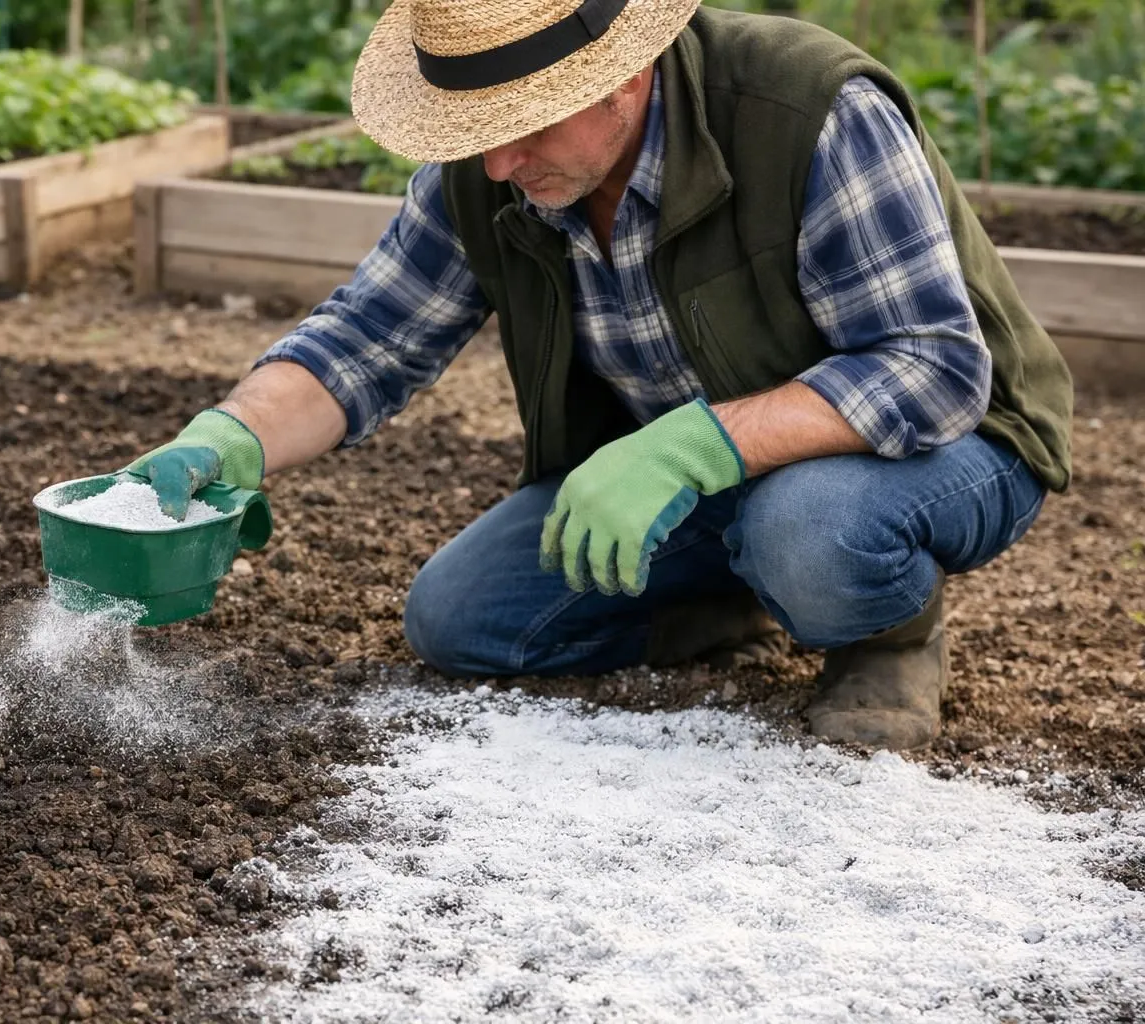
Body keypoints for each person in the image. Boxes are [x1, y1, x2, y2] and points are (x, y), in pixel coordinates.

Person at [125, 0, 1073, 751]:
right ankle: (727, 594)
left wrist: (699, 441)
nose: (498, 161)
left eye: (523, 124)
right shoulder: (493, 173)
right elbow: (367, 336)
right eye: (475, 129)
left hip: (948, 446)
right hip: (700, 467)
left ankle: (884, 638)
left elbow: (934, 370)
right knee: (461, 621)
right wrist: (233, 434)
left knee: (814, 530)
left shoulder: (807, 112)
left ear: (620, 74)